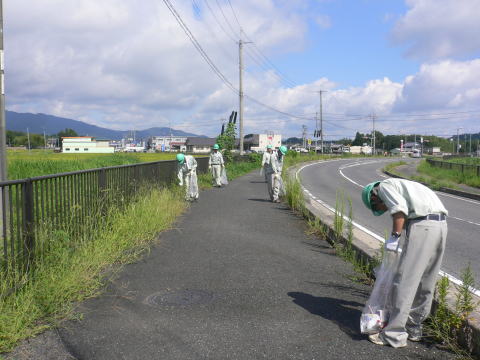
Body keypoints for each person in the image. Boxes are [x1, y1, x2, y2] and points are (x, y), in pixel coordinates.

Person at [361, 178, 448, 348]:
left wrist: (394, 237)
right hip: (441, 225)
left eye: (380, 207)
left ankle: (394, 335)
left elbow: (399, 211)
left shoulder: (383, 187)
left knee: (406, 282)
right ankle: (414, 327)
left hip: (423, 226)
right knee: (426, 281)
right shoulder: (407, 185)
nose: (384, 208)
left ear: (373, 197)